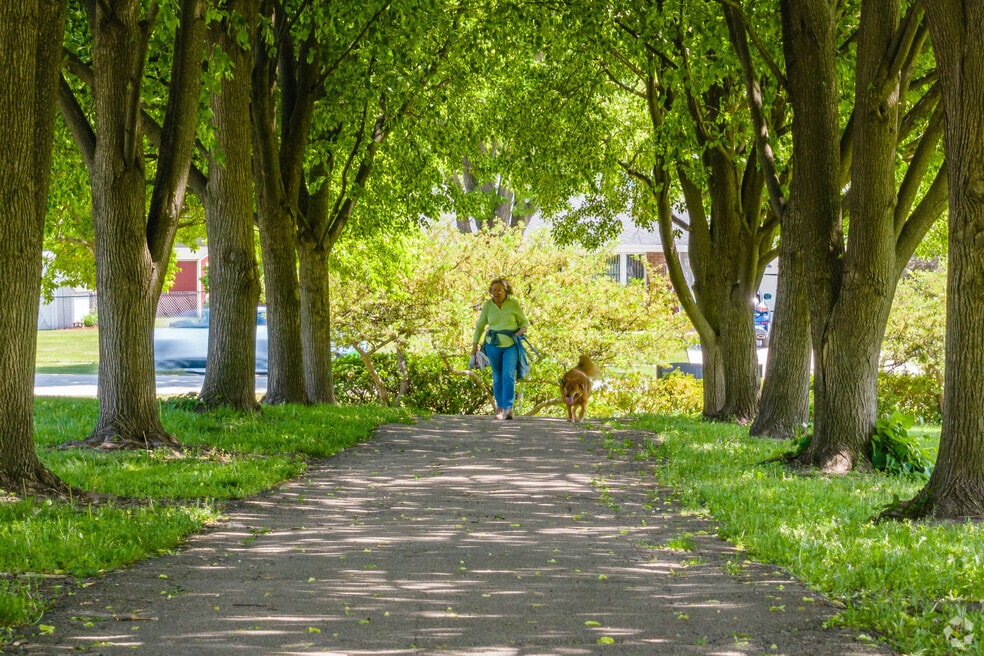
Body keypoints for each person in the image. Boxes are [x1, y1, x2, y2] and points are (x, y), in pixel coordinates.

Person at [471, 278, 529, 420]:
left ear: (506, 291)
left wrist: (520, 332)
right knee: (497, 377)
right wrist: (474, 346)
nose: (497, 293)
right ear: (490, 291)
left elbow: (524, 323)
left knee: (508, 375)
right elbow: (480, 326)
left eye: (500, 290)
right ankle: (500, 408)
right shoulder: (488, 306)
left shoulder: (513, 304)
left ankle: (508, 408)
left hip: (511, 345)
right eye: (494, 290)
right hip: (493, 344)